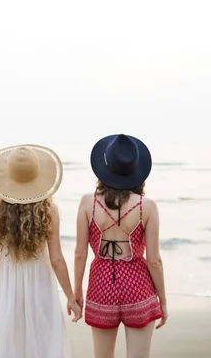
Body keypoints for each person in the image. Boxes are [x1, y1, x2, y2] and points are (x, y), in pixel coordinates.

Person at [0, 144, 82, 358]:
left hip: (7, 287)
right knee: (43, 344)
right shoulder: (49, 209)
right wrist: (71, 298)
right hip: (40, 285)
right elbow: (56, 259)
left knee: (9, 345)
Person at [73, 134, 168, 358]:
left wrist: (77, 292)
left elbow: (80, 254)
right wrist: (162, 299)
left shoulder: (88, 202)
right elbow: (154, 260)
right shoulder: (147, 207)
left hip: (101, 283)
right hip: (138, 285)